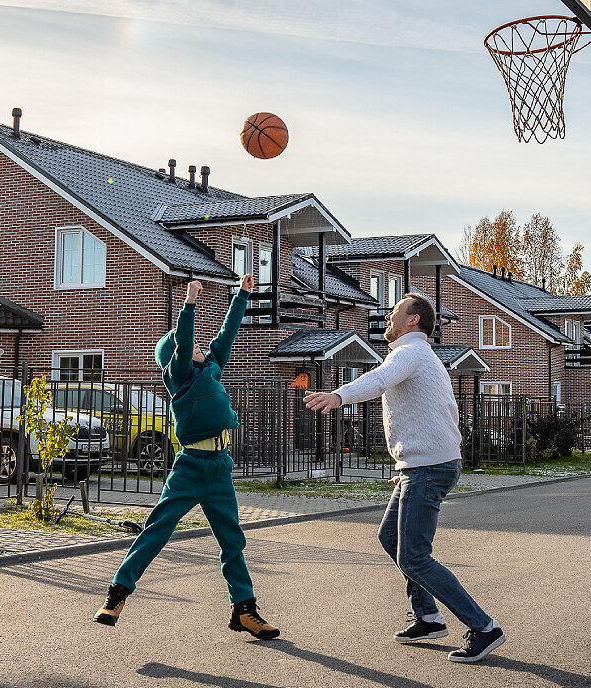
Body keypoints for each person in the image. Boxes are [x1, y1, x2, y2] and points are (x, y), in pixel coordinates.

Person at [304, 293, 504, 663]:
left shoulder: (409, 354)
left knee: (414, 557)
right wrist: (412, 466)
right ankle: (427, 617)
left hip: (427, 468)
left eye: (395, 311)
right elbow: (444, 411)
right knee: (391, 536)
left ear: (413, 321)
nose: (388, 315)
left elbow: (378, 380)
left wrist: (338, 395)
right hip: (424, 466)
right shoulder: (423, 357)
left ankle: (484, 627)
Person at [93, 274, 278, 641]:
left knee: (232, 541)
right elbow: (183, 343)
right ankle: (117, 594)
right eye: (191, 345)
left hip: (220, 466)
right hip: (190, 467)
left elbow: (226, 334)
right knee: (157, 530)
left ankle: (244, 609)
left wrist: (241, 296)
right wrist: (189, 303)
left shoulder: (211, 368)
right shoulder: (179, 376)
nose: (200, 348)